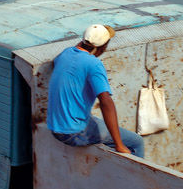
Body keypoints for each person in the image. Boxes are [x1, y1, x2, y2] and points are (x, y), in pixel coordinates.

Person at [46, 23, 145, 158]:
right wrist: (119, 144)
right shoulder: (94, 64)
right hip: (74, 133)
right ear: (103, 47)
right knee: (136, 142)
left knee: (98, 122)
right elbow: (105, 101)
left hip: (55, 127)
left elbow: (56, 64)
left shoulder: (66, 53)